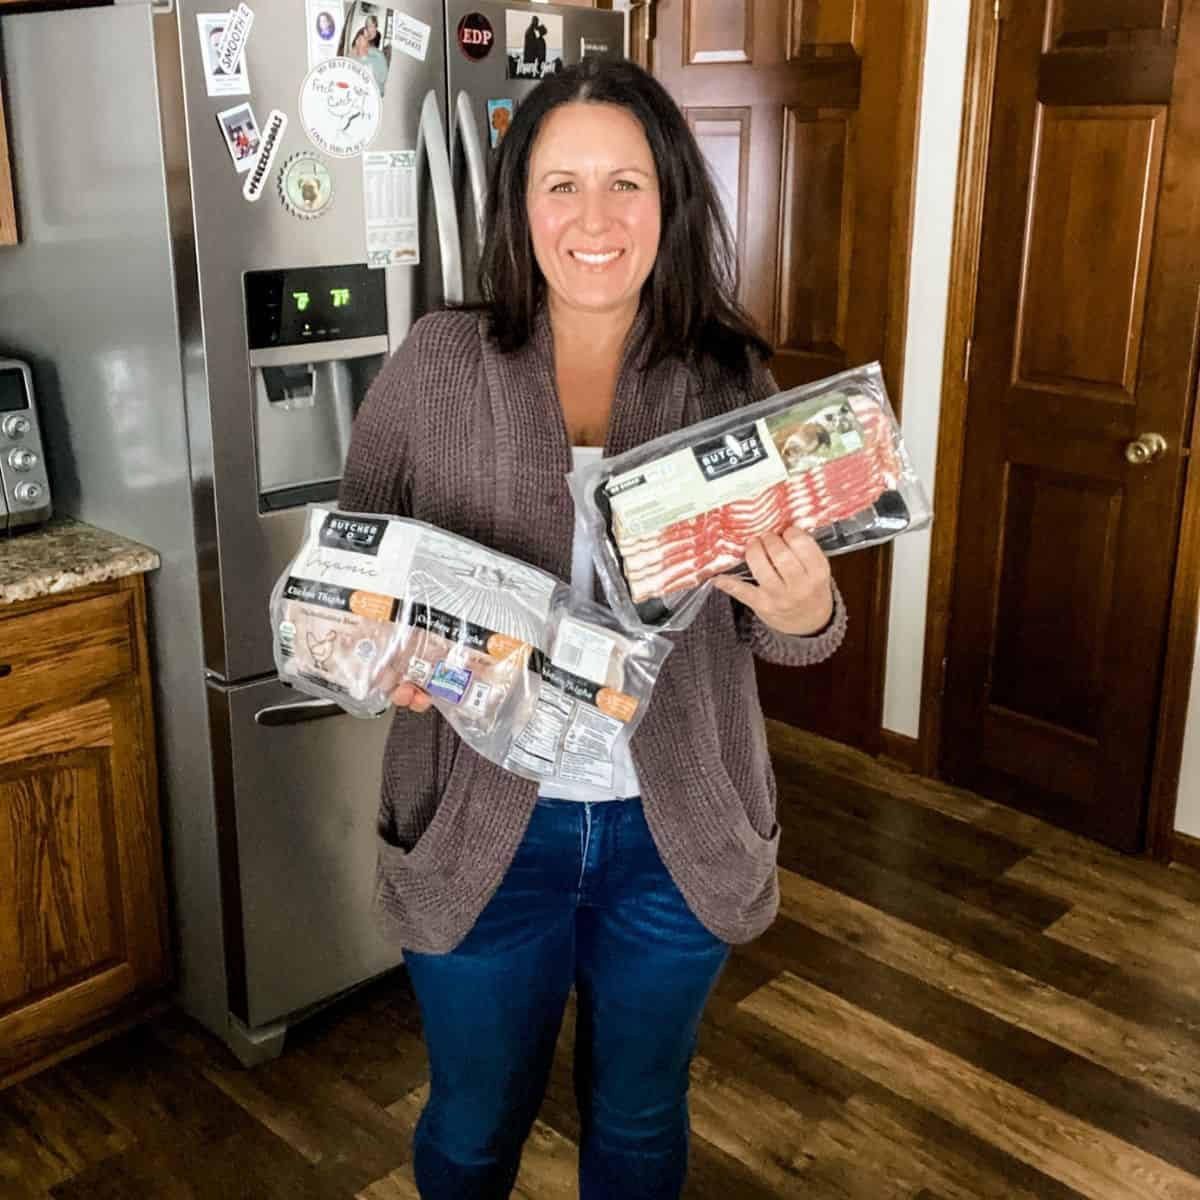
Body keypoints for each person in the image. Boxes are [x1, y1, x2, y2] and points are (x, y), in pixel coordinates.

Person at [340, 56, 846, 1200]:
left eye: (626, 182)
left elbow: (787, 634)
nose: (595, 218)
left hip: (671, 837)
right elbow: (351, 580)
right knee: (471, 1127)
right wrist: (381, 662)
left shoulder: (729, 378)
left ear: (670, 199)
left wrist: (808, 608)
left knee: (638, 1118)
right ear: (519, 208)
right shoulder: (435, 364)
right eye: (560, 185)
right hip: (477, 827)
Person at [351, 27, 388, 96]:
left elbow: (382, 79)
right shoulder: (352, 56)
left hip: (373, 96)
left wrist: (364, 56)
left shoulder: (377, 55)